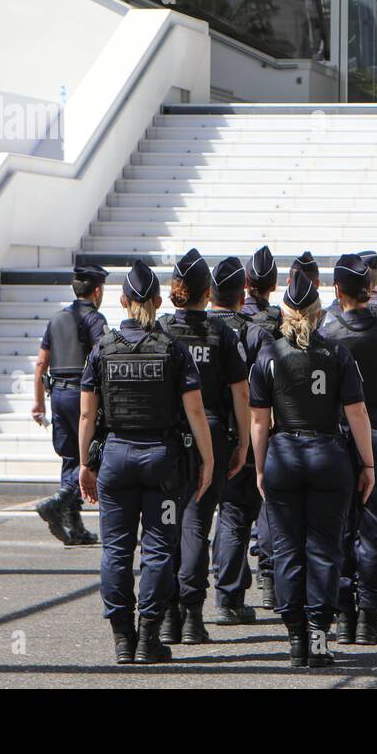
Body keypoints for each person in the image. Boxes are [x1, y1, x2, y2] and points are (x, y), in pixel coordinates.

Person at [77, 260, 216, 664]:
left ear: (122, 301)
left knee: (116, 551)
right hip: (162, 460)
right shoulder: (173, 350)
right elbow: (195, 410)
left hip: (116, 457)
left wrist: (84, 463)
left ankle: (123, 636)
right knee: (157, 548)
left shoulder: (103, 347)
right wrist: (207, 460)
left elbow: (87, 415)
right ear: (157, 301)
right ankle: (149, 635)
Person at [250, 268, 376, 667]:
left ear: (285, 315)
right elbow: (357, 413)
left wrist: (259, 468)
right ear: (320, 314)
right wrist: (368, 463)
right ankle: (319, 638)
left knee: (287, 550)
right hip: (328, 453)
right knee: (324, 548)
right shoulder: (338, 354)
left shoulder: (269, 354)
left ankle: (295, 639)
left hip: (284, 453)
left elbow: (258, 421)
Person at [156, 249, 251, 646]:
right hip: (210, 430)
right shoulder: (222, 334)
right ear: (206, 292)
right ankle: (192, 616)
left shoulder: (161, 330)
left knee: (164, 527)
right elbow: (241, 393)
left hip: (167, 437)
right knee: (197, 524)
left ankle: (166, 616)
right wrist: (243, 442)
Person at [319, 252, 377, 643]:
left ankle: (343, 616)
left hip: (337, 435)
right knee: (376, 530)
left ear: (337, 290)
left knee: (339, 530)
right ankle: (370, 618)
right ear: (371, 290)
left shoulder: (325, 333)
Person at [32, 264, 108, 546]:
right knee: (92, 454)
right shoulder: (95, 319)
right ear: (97, 291)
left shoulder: (56, 319)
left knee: (69, 458)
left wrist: (38, 401)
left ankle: (73, 526)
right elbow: (103, 359)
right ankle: (60, 501)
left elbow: (41, 362)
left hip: (59, 395)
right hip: (83, 395)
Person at [207, 256, 262, 625]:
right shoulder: (255, 331)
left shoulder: (182, 328)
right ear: (243, 294)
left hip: (188, 437)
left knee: (188, 521)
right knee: (235, 516)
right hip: (235, 434)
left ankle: (183, 609)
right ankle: (228, 596)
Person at [241, 244, 283, 610]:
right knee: (267, 501)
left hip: (232, 423)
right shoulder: (280, 322)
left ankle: (232, 583)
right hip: (269, 420)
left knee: (232, 511)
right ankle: (268, 575)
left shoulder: (231, 320)